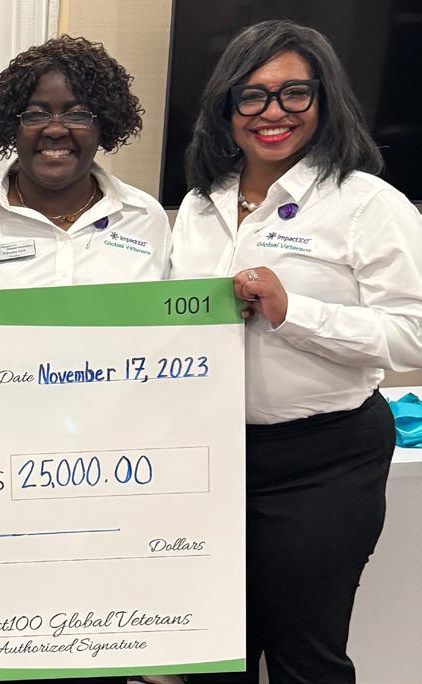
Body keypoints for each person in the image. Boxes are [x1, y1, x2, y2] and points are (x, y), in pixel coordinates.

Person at [173, 20, 422, 682]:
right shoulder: (200, 205)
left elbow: (413, 333)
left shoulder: (368, 205)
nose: (272, 112)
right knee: (212, 656)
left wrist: (295, 314)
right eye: (251, 95)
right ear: (226, 107)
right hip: (210, 459)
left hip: (322, 461)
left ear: (324, 99)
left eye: (294, 93)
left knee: (305, 658)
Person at [0, 36, 168, 292]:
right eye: (35, 115)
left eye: (76, 115)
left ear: (105, 125)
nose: (55, 130)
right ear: (12, 127)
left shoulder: (145, 218)